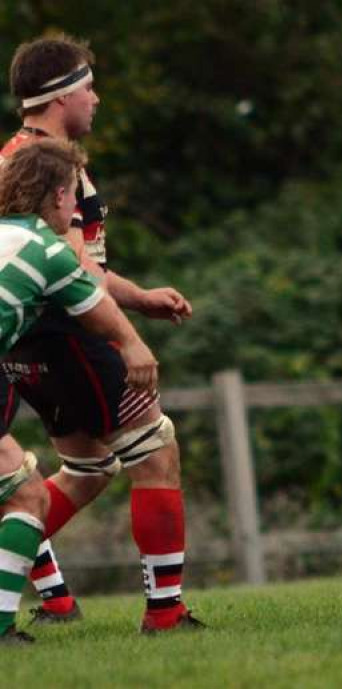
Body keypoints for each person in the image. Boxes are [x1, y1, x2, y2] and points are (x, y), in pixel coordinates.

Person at [1, 34, 200, 632]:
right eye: (89, 87)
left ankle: (48, 597)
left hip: (26, 343)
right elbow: (68, 264)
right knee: (156, 450)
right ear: (61, 96)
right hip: (68, 334)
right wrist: (136, 307)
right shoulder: (46, 163)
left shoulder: (15, 152)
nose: (98, 98)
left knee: (86, 468)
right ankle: (166, 613)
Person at [0, 139, 158, 643]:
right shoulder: (48, 250)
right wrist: (134, 347)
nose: (77, 207)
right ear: (60, 195)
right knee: (26, 495)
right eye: (74, 195)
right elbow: (97, 308)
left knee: (19, 488)